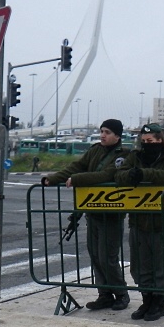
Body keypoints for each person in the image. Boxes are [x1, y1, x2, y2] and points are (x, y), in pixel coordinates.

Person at [43, 119, 130, 311]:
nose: (102, 135)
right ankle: (104, 294)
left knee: (108, 257)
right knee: (95, 255)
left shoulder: (123, 155)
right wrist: (53, 178)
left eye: (107, 132)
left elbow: (106, 175)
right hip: (93, 212)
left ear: (117, 135)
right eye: (101, 131)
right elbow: (76, 166)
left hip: (111, 213)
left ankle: (121, 293)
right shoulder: (95, 150)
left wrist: (76, 180)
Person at [114, 123, 164, 321]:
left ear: (160, 140)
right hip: (139, 220)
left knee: (161, 265)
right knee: (140, 265)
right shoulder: (135, 157)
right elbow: (119, 175)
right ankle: (146, 300)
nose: (146, 145)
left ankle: (159, 303)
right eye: (143, 142)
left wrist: (145, 174)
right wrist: (131, 174)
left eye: (150, 141)